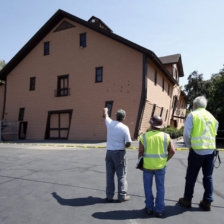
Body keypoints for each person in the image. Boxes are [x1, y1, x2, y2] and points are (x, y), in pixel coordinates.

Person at [178, 96, 219, 211]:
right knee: (208, 176)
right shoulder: (212, 117)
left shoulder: (192, 115)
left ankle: (187, 200)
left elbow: (186, 134)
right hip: (210, 150)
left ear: (195, 105)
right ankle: (207, 201)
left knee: (191, 176)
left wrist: (189, 146)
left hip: (197, 150)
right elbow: (214, 132)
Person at [138, 116, 175, 217]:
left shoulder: (144, 136)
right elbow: (172, 151)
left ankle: (149, 208)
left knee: (147, 187)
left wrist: (140, 163)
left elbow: (141, 152)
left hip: (147, 167)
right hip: (160, 166)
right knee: (160, 188)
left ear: (151, 124)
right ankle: (159, 210)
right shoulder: (166, 136)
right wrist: (165, 160)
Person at [103, 107, 132, 202]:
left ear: (116, 116)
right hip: (119, 153)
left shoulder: (110, 123)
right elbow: (128, 143)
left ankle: (109, 196)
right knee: (121, 175)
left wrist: (106, 109)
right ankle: (122, 196)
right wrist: (123, 145)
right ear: (124, 118)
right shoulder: (124, 128)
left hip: (109, 152)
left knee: (109, 175)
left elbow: (105, 115)